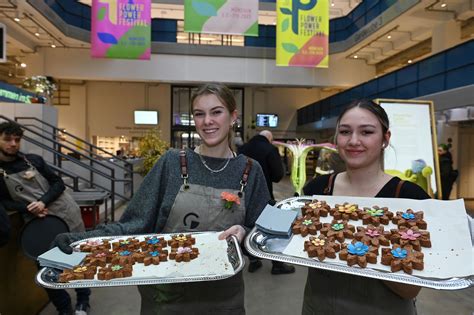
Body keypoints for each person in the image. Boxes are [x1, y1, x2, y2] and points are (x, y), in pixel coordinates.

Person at [53, 83, 271, 314]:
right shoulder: (172, 163)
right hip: (168, 294)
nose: (207, 121)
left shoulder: (250, 170)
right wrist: (81, 240)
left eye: (216, 112)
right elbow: (134, 223)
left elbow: (265, 232)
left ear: (233, 116)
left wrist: (244, 233)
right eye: (199, 114)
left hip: (223, 298)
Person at [302, 100, 430, 315]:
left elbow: (410, 289)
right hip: (319, 306)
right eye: (345, 132)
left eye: (367, 132)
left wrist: (359, 248)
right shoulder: (317, 190)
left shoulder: (410, 198)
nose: (353, 141)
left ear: (385, 139)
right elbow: (280, 234)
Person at [0, 121, 91, 315]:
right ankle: (64, 308)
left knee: (78, 258)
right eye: (7, 139)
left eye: (17, 139)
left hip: (64, 212)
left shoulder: (33, 160)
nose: (13, 144)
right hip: (37, 222)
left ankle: (83, 301)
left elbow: (58, 183)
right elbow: (4, 202)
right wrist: (26, 207)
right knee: (45, 267)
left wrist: (42, 201)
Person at [239, 130, 295, 274]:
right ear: (269, 138)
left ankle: (253, 260)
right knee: (275, 227)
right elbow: (277, 176)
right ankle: (277, 264)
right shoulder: (270, 149)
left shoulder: (243, 148)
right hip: (264, 194)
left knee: (248, 226)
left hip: (242, 195)